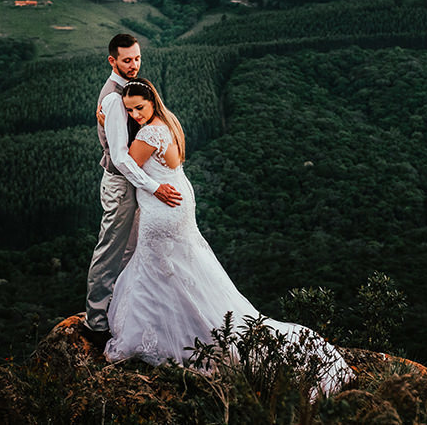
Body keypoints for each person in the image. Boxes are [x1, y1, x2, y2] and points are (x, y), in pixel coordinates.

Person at [102, 77, 353, 396]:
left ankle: (170, 334)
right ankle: (196, 326)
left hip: (162, 211)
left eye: (140, 107)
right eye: (129, 110)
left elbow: (123, 164)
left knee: (158, 270)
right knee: (181, 272)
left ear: (152, 102)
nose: (135, 114)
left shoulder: (150, 132)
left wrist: (111, 125)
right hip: (177, 206)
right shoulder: (168, 123)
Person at [84, 34, 183, 340]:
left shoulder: (126, 92)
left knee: (130, 249)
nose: (134, 65)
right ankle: (96, 321)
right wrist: (155, 187)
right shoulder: (113, 98)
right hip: (121, 183)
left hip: (135, 183)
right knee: (111, 249)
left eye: (137, 58)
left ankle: (120, 310)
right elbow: (120, 158)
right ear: (112, 60)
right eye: (127, 60)